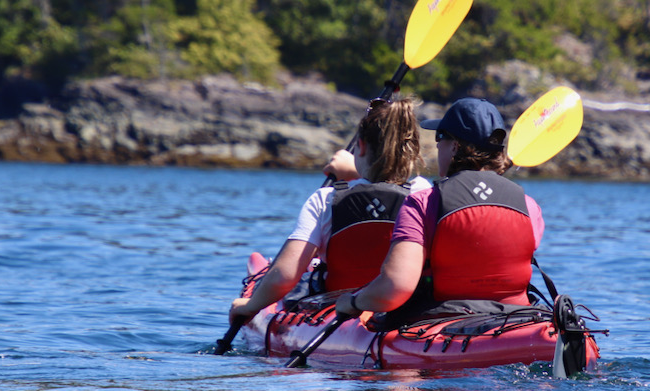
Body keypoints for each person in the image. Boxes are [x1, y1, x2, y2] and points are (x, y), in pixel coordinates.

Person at [228, 96, 430, 328]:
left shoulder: (326, 199)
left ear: (360, 146)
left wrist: (250, 306)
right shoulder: (425, 194)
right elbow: (388, 187)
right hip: (403, 313)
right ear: (414, 150)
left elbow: (285, 275)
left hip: (338, 313)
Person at [334, 97, 544, 320]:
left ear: (454, 146)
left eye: (440, 137)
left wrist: (353, 301)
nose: (436, 145)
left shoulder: (423, 203)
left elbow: (397, 286)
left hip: (444, 321)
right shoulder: (528, 206)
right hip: (518, 318)